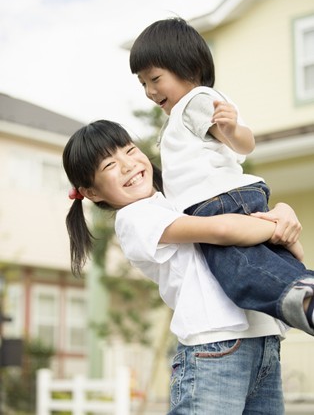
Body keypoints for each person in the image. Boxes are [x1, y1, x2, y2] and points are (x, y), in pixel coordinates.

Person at [63, 120, 313, 414]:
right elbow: (221, 230)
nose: (128, 165)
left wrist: (282, 213)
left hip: (263, 341)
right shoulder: (135, 218)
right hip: (215, 348)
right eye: (110, 165)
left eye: (130, 151)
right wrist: (275, 224)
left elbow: (261, 230)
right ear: (92, 192)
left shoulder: (179, 197)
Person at [129, 17, 314, 333]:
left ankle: (303, 301)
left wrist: (231, 129)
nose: (149, 91)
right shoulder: (180, 114)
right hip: (218, 199)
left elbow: (246, 143)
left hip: (218, 199)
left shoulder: (195, 100)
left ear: (188, 67)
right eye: (143, 83)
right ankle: (300, 278)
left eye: (155, 78)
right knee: (255, 262)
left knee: (240, 272)